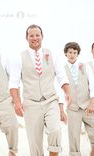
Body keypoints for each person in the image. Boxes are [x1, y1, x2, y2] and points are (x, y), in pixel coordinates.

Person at [9, 24, 70, 156]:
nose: (34, 38)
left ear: (42, 37)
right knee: (34, 142)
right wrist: (17, 103)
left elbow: (61, 76)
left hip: (50, 100)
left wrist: (67, 92)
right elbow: (13, 84)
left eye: (37, 35)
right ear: (27, 38)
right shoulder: (19, 57)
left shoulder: (52, 53)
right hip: (31, 103)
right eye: (31, 35)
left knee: (55, 131)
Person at [63, 42, 94, 156]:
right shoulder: (62, 69)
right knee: (74, 137)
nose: (72, 55)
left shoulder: (85, 67)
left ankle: (93, 150)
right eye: (70, 52)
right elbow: (59, 87)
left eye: (75, 52)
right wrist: (62, 106)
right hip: (72, 108)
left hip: (87, 106)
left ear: (78, 54)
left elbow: (93, 86)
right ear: (66, 53)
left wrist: (92, 103)